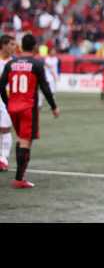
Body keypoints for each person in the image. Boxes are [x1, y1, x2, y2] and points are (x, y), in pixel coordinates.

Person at [0, 34, 60, 189]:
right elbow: (45, 88)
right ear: (34, 47)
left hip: (13, 108)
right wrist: (54, 106)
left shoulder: (11, 64)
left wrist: (8, 104)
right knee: (26, 141)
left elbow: (1, 87)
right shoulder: (37, 64)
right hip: (28, 108)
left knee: (21, 139)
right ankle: (19, 179)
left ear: (21, 46)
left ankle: (17, 173)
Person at [0, 35, 17, 171]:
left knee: (5, 129)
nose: (14, 47)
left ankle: (3, 158)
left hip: (7, 100)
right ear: (4, 45)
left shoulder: (15, 63)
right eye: (11, 44)